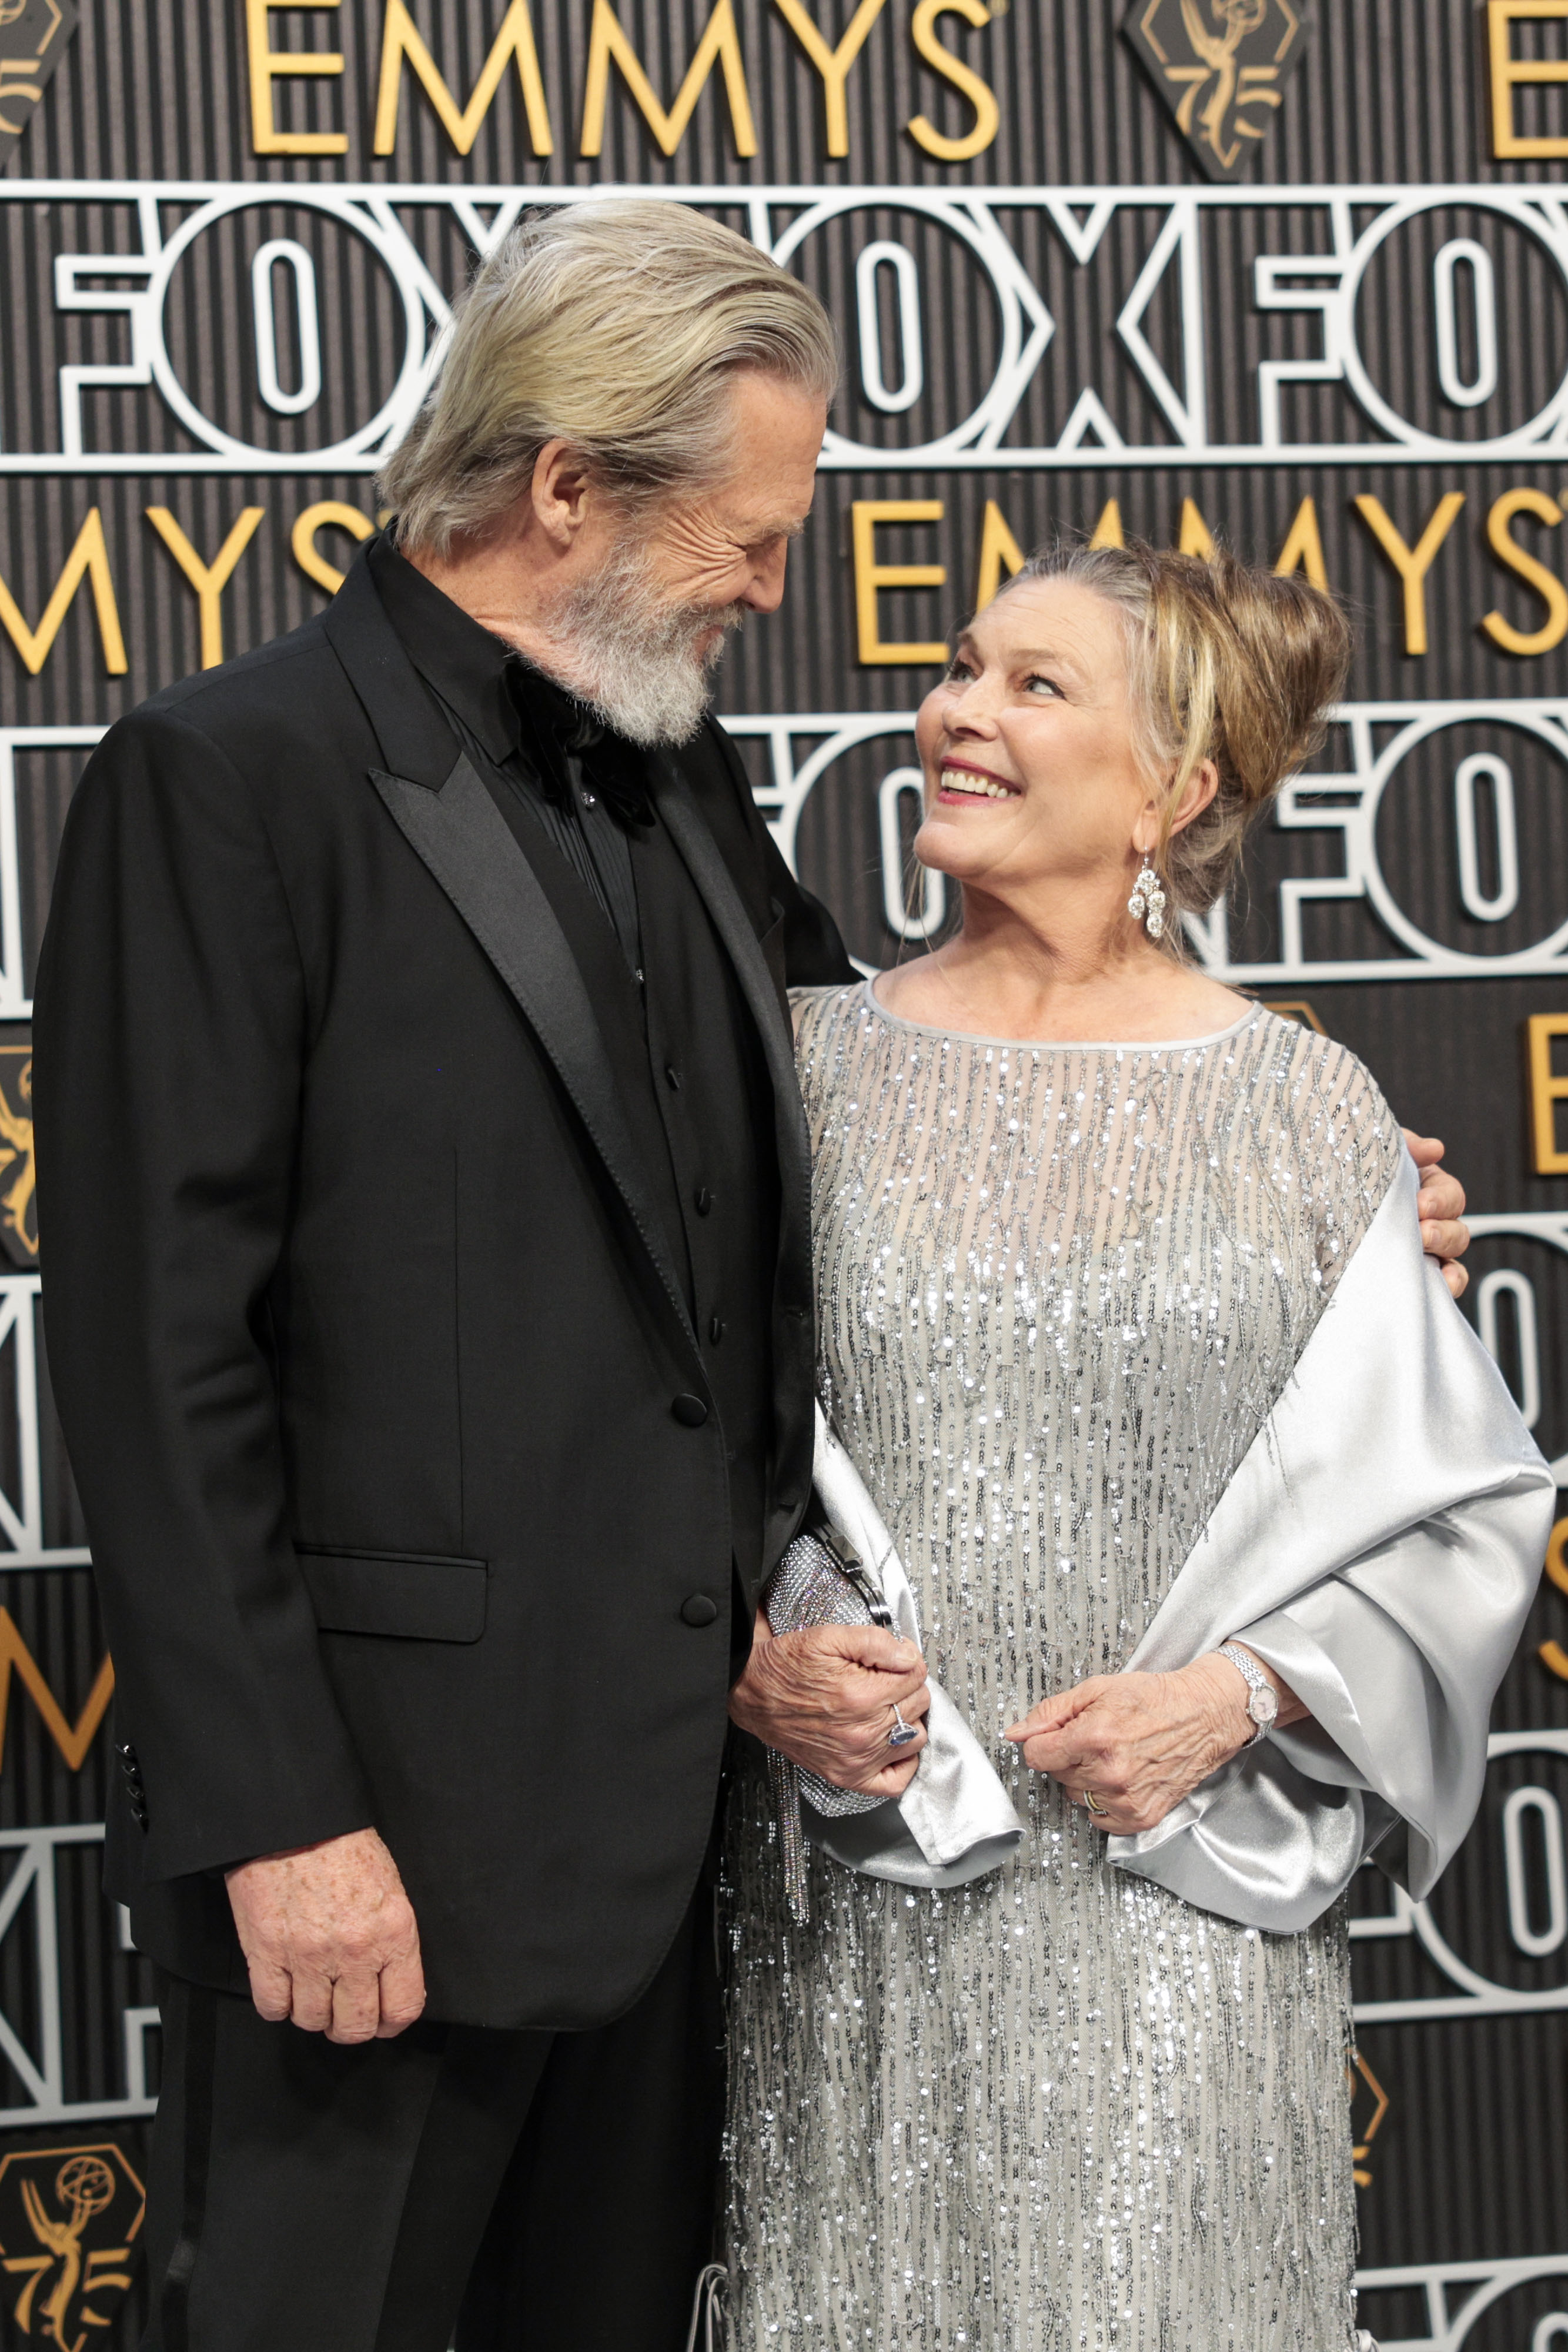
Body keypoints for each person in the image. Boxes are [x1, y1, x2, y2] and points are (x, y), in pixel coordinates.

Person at [32, 204, 1467, 2350]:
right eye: (754, 533)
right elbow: (158, 1361)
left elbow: (896, 1118)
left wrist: (1308, 1209)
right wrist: (283, 1825)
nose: (777, 591)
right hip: (378, 1857)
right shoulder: (232, 781)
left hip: (692, 1878)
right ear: (567, 486)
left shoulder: (673, 768)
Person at [722, 543, 1548, 2352]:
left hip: (1187, 1927)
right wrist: (759, 1651)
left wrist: (1239, 1695)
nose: (957, 710)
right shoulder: (789, 1071)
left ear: (1174, 789)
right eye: (959, 666)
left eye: (1034, 685)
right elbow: (665, 1438)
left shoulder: (1307, 1112)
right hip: (859, 1919)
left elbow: (1453, 1517)